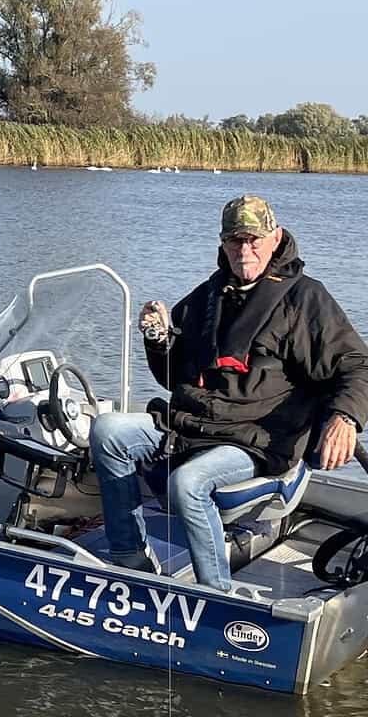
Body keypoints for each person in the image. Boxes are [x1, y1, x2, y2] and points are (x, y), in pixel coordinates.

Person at [89, 194, 368, 591]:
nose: (244, 250)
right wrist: (158, 338)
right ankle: (130, 557)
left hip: (259, 439)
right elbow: (175, 377)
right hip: (195, 426)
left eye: (253, 239)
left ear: (276, 238)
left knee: (186, 483)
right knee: (107, 430)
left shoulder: (306, 298)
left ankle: (215, 593)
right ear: (223, 244)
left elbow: (357, 365)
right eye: (235, 240)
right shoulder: (210, 295)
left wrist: (346, 418)